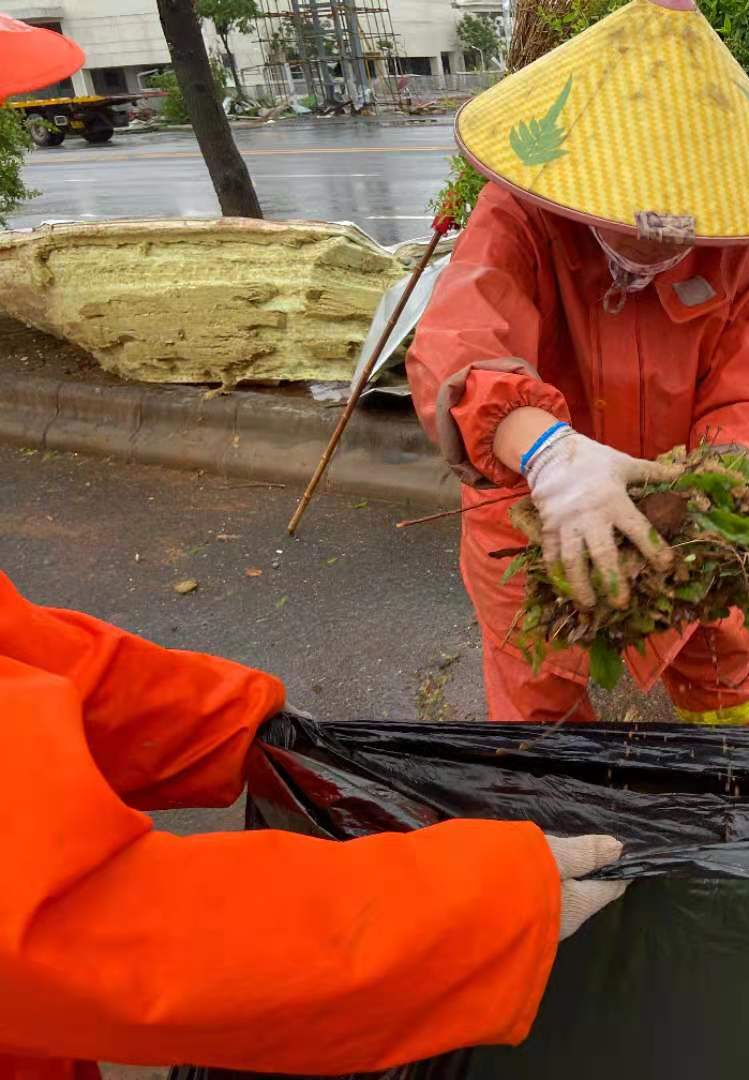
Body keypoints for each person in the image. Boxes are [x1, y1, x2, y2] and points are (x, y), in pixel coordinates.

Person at [0, 19, 623, 1080]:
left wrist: (243, 731)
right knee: (540, 719)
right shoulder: (516, 226)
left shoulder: (725, 255)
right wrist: (470, 913)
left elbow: (28, 659)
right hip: (529, 534)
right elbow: (73, 935)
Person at [406, 0, 749, 727]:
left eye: (678, 219)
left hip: (675, 528)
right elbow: (462, 344)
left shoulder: (739, 246)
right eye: (632, 210)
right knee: (540, 709)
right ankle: (561, 834)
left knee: (730, 680)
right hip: (537, 519)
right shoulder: (522, 215)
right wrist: (549, 454)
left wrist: (712, 494)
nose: (658, 238)